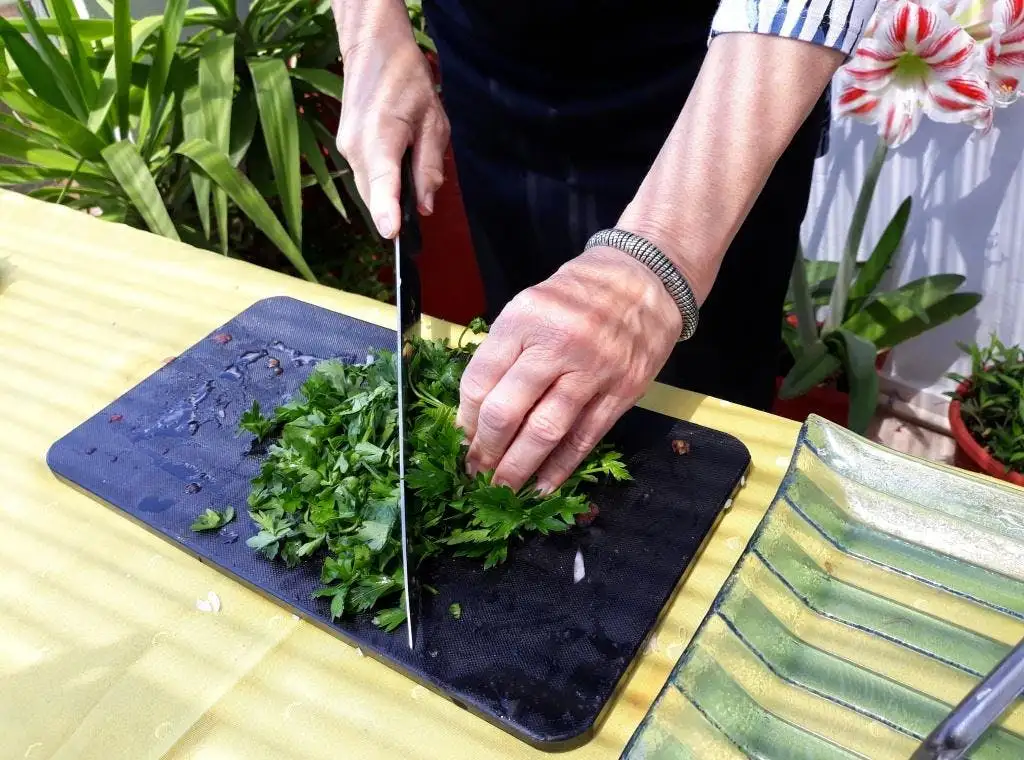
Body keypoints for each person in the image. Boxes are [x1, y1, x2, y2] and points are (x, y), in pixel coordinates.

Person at [331, 0, 878, 492]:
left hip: (716, 81)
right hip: (491, 63)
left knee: (691, 446)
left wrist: (662, 252)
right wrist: (370, 33)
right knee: (526, 364)